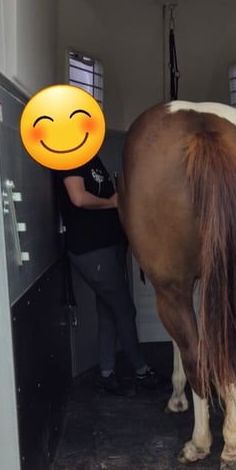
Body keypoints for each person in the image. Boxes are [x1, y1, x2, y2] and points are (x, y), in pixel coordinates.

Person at [55, 153, 163, 396]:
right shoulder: (69, 158)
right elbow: (78, 198)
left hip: (107, 245)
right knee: (125, 310)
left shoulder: (91, 158)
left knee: (108, 309)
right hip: (91, 249)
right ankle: (141, 371)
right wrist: (112, 203)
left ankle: (106, 373)